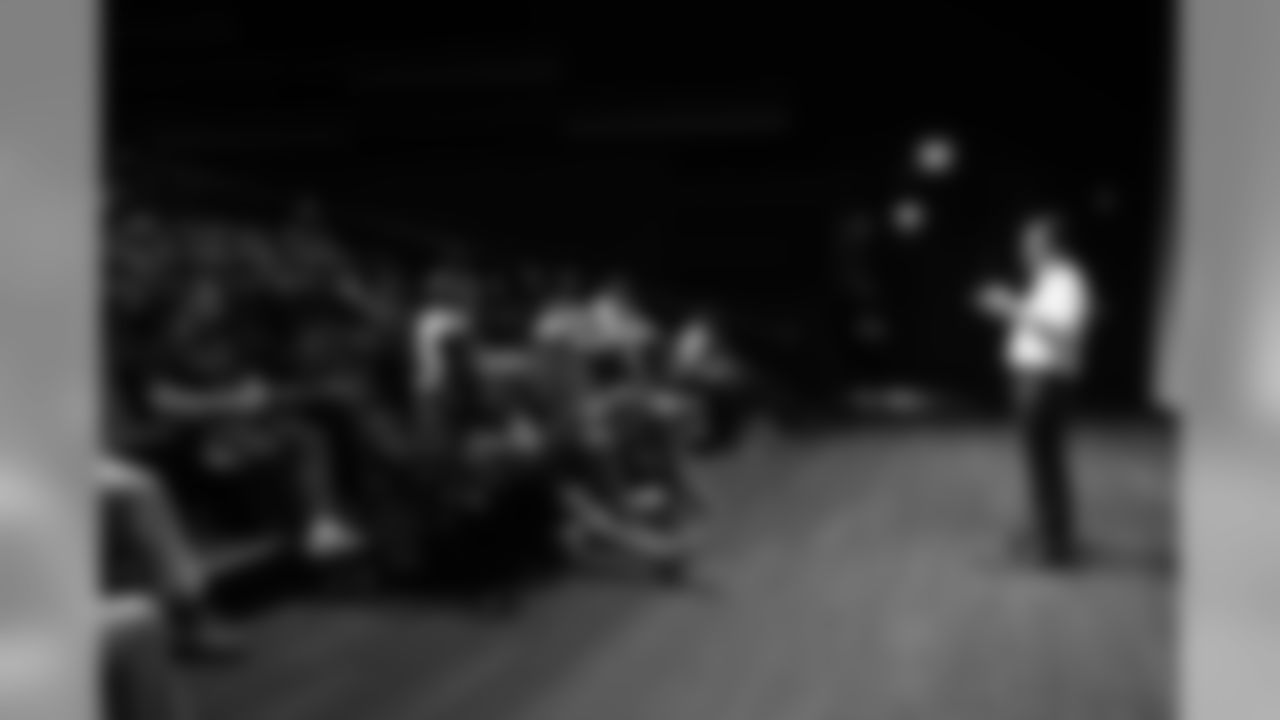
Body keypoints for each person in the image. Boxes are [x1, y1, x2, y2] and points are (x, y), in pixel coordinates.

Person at [975, 211, 1095, 568]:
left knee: (1046, 464)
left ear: (1049, 246)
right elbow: (1038, 325)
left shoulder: (1066, 281)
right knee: (1040, 463)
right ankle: (1049, 535)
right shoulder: (1047, 281)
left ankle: (1056, 545)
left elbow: (1062, 332)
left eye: (1029, 243)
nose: (1022, 250)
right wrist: (1013, 309)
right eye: (1023, 243)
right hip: (1034, 379)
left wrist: (1010, 306)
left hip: (1045, 380)